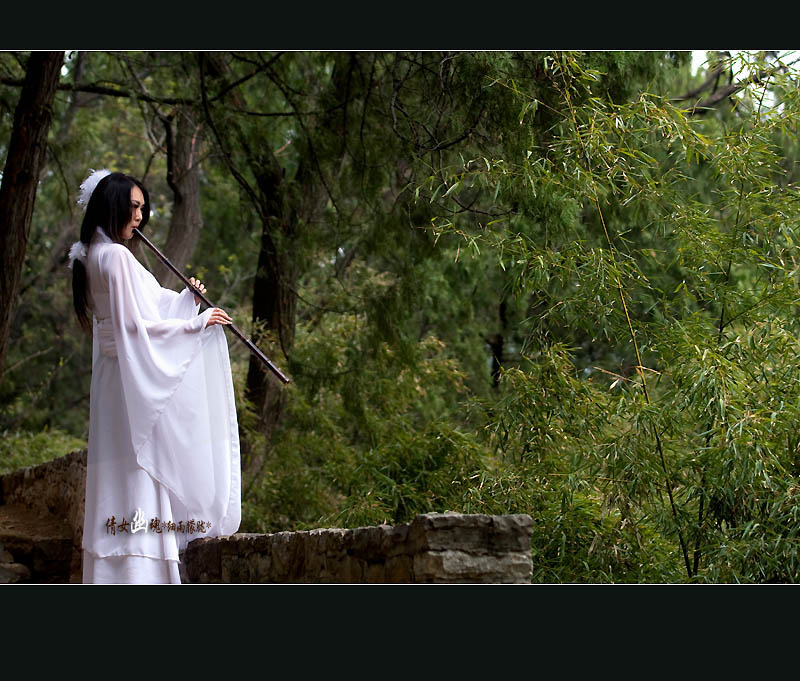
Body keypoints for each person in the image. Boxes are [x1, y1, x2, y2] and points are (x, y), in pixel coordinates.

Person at [69, 169, 241, 584]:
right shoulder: (114, 257)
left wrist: (185, 301)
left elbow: (142, 309)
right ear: (111, 206)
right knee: (137, 474)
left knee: (121, 477)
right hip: (129, 386)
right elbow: (136, 329)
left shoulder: (92, 254)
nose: (140, 217)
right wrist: (194, 325)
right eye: (133, 207)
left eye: (143, 208)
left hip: (114, 382)